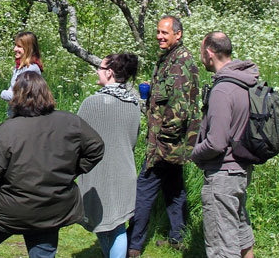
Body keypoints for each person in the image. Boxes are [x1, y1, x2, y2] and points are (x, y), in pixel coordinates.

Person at [0, 72, 105, 258]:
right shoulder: (70, 122)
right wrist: (71, 172)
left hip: (10, 209)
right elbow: (97, 147)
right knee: (43, 250)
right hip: (51, 206)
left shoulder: (4, 132)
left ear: (16, 97)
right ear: (46, 93)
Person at [127, 16, 200, 257]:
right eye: (158, 32)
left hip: (165, 144)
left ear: (177, 34)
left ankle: (134, 245)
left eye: (164, 32)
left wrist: (162, 140)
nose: (159, 36)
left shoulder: (181, 61)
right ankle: (178, 238)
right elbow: (169, 95)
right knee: (174, 189)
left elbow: (179, 108)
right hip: (173, 144)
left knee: (144, 189)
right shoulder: (170, 59)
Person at [192, 32, 257, 258]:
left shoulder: (222, 89)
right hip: (241, 171)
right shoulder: (245, 82)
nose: (201, 57)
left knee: (222, 247)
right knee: (241, 234)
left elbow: (216, 143)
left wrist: (195, 153)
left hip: (221, 175)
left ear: (209, 53)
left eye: (201, 52)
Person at [77, 54, 142, 258]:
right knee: (116, 224)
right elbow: (132, 139)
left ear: (110, 72)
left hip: (99, 175)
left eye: (100, 67)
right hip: (125, 171)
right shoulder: (134, 104)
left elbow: (77, 139)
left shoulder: (91, 103)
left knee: (108, 226)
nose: (97, 70)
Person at [0, 31, 43, 117]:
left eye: (19, 46)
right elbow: (12, 87)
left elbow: (20, 97)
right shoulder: (20, 66)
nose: (15, 49)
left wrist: (3, 93)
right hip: (16, 114)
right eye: (15, 45)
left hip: (25, 117)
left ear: (29, 48)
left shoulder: (30, 70)